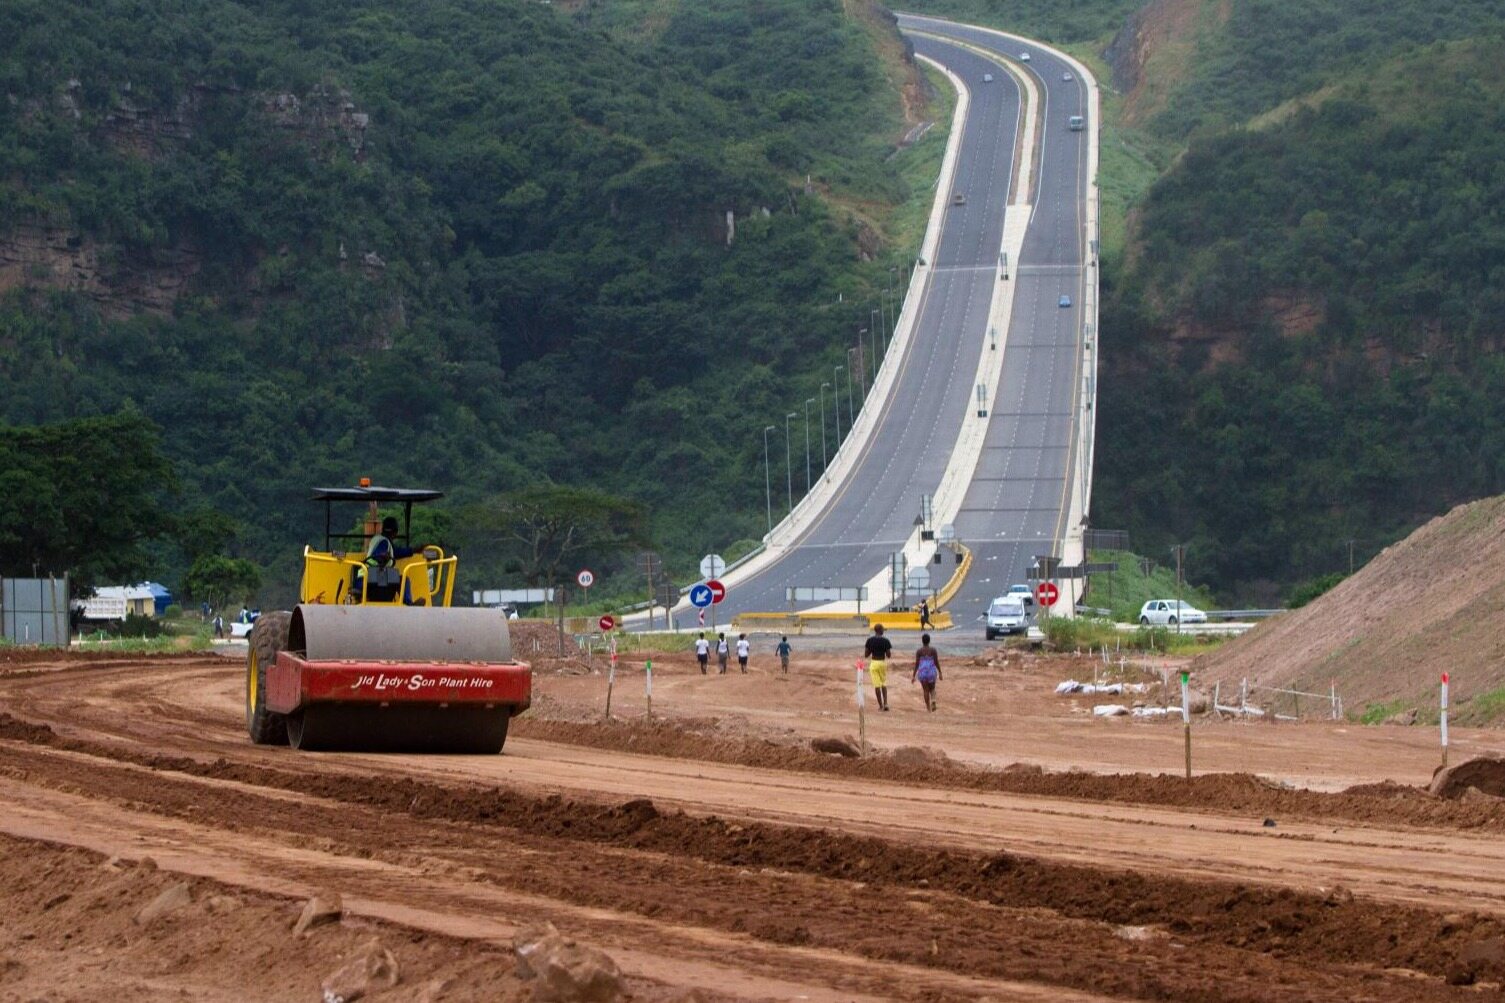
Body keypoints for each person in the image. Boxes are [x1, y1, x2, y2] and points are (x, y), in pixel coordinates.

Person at [364, 516, 421, 602]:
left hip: (369, 574)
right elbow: (378, 555)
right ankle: (409, 604)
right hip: (376, 576)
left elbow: (396, 552)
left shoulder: (377, 539)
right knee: (403, 580)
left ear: (382, 529)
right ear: (395, 533)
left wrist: (413, 550)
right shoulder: (384, 542)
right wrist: (382, 557)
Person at [864, 624, 893, 711]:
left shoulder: (870, 640)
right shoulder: (886, 640)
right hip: (882, 663)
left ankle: (880, 706)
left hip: (874, 663)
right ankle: (886, 703)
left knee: (877, 686)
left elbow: (866, 655)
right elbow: (889, 655)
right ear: (880, 630)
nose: (883, 631)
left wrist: (872, 649)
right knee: (883, 684)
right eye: (883, 629)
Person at [912, 632, 942, 712]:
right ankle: (933, 700)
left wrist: (913, 675)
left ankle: (928, 708)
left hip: (922, 672)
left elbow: (917, 664)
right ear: (929, 641)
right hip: (931, 671)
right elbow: (936, 662)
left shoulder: (919, 651)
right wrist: (940, 672)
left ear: (922, 641)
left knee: (925, 690)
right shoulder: (933, 650)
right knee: (932, 688)